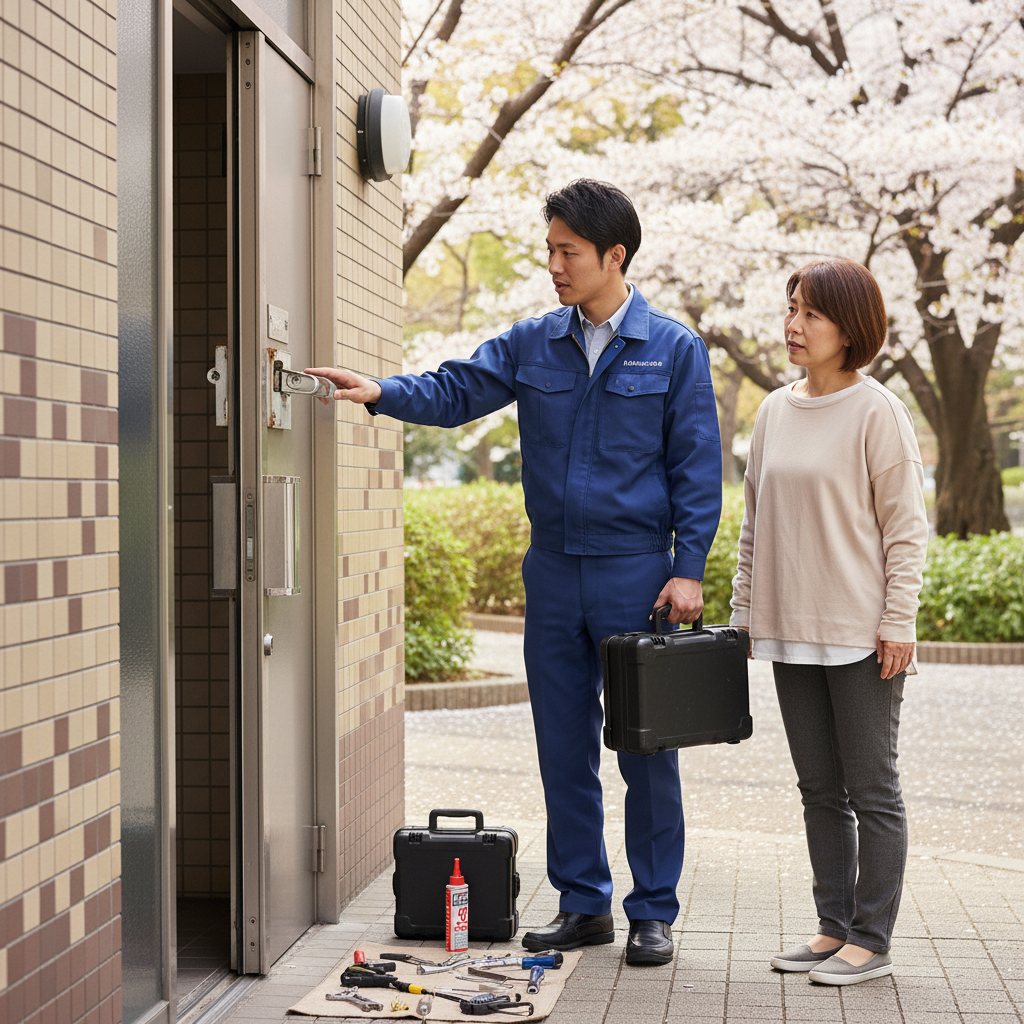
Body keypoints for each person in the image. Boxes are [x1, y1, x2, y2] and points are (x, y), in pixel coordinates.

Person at [308, 179, 722, 966]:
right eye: (551, 250)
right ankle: (582, 904)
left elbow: (697, 467)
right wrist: (381, 394)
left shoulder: (674, 348)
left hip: (637, 575)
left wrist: (689, 569)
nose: (555, 266)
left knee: (645, 751)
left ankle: (653, 911)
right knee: (562, 747)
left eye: (568, 252)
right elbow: (458, 388)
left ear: (614, 255)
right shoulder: (534, 342)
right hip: (554, 572)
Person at [730, 258, 929, 986]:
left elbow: (906, 530)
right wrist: (744, 611)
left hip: (860, 633)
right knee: (819, 789)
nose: (793, 325)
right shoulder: (775, 411)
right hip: (789, 631)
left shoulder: (877, 412)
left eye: (811, 313)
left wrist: (898, 621)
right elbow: (754, 523)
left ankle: (870, 940)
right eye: (792, 308)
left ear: (850, 329)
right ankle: (832, 926)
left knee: (872, 789)